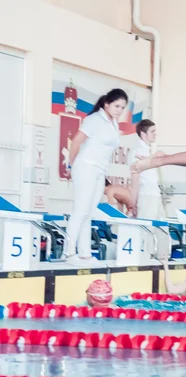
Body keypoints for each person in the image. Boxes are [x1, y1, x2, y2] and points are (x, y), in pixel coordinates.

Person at [65, 89, 128, 265]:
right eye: (116, 106)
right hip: (86, 167)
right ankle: (69, 253)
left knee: (89, 212)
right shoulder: (93, 120)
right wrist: (71, 166)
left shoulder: (114, 124)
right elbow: (76, 142)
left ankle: (84, 253)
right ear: (107, 104)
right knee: (80, 210)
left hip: (100, 170)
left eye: (122, 107)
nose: (119, 110)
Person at [128, 119, 163, 219]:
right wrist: (132, 204)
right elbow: (135, 179)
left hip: (155, 194)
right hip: (146, 196)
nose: (155, 134)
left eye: (155, 131)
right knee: (146, 231)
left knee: (162, 231)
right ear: (143, 134)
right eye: (152, 131)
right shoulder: (137, 152)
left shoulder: (147, 151)